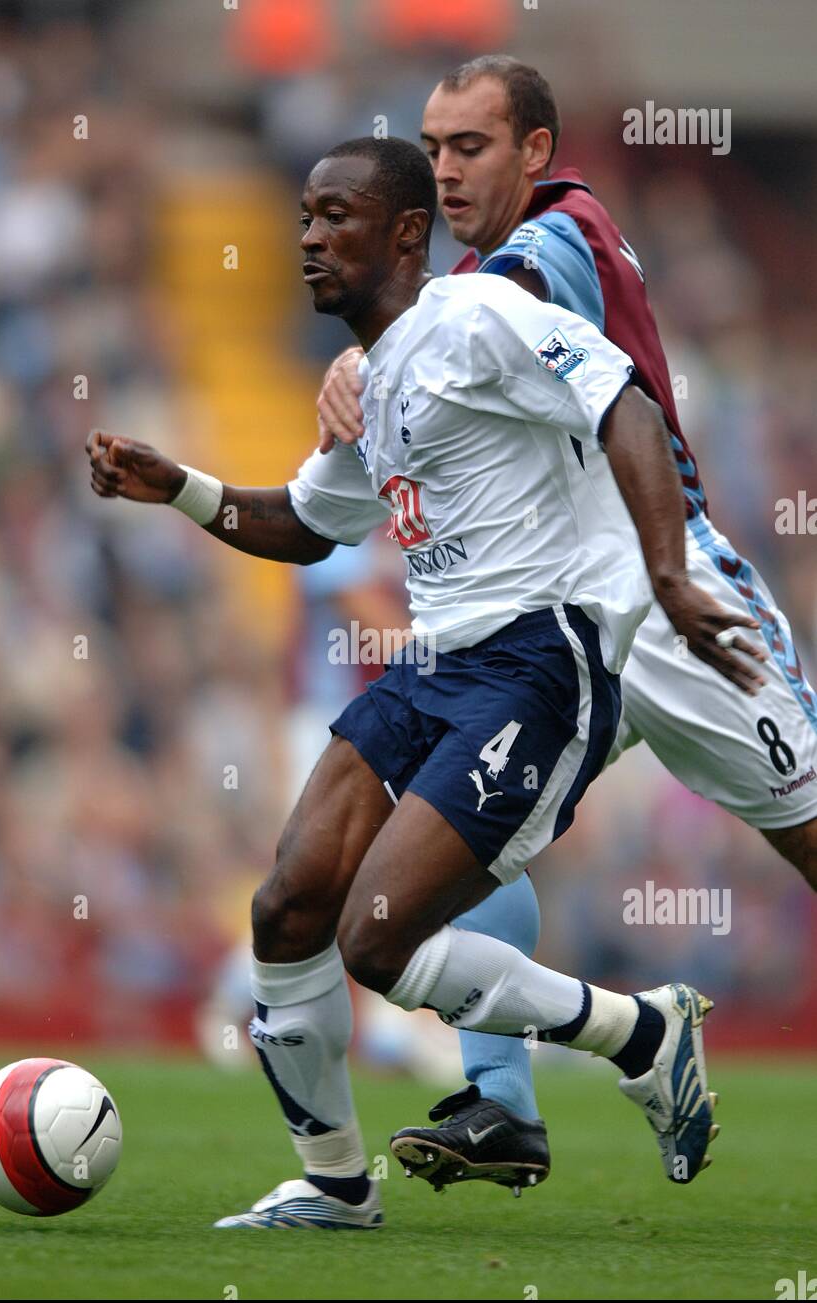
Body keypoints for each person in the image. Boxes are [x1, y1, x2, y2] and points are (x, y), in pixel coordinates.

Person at [87, 136, 758, 1230]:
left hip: (541, 659)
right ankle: (341, 1188)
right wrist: (182, 488)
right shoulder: (379, 374)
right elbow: (307, 526)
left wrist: (671, 572)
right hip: (437, 662)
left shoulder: (478, 317)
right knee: (288, 901)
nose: (309, 236)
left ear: (408, 233)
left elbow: (626, 400)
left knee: (377, 936)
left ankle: (643, 1034)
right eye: (304, 215)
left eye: (337, 215)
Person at [315, 56, 817, 1194]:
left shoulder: (561, 237)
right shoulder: (465, 288)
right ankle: (503, 1104)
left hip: (671, 591)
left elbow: (517, 319)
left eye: (473, 147)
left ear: (535, 153)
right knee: (456, 826)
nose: (445, 170)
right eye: (434, 148)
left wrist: (359, 350)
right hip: (555, 621)